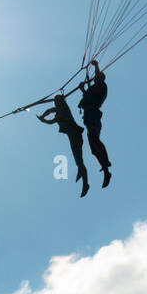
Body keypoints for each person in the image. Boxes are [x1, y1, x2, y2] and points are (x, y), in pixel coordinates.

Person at [37, 93, 89, 197]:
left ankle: (85, 183)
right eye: (55, 102)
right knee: (77, 159)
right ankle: (80, 171)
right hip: (74, 136)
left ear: (60, 102)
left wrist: (43, 119)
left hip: (75, 136)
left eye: (56, 102)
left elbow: (51, 121)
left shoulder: (62, 111)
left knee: (79, 160)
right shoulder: (61, 109)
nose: (55, 104)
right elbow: (50, 110)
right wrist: (43, 115)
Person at [78, 60, 111, 188]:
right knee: (92, 149)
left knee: (94, 139)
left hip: (93, 116)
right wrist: (83, 89)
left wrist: (96, 66)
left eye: (98, 78)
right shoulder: (95, 88)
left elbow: (97, 81)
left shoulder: (102, 87)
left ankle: (106, 164)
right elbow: (88, 97)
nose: (95, 79)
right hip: (89, 117)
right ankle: (106, 169)